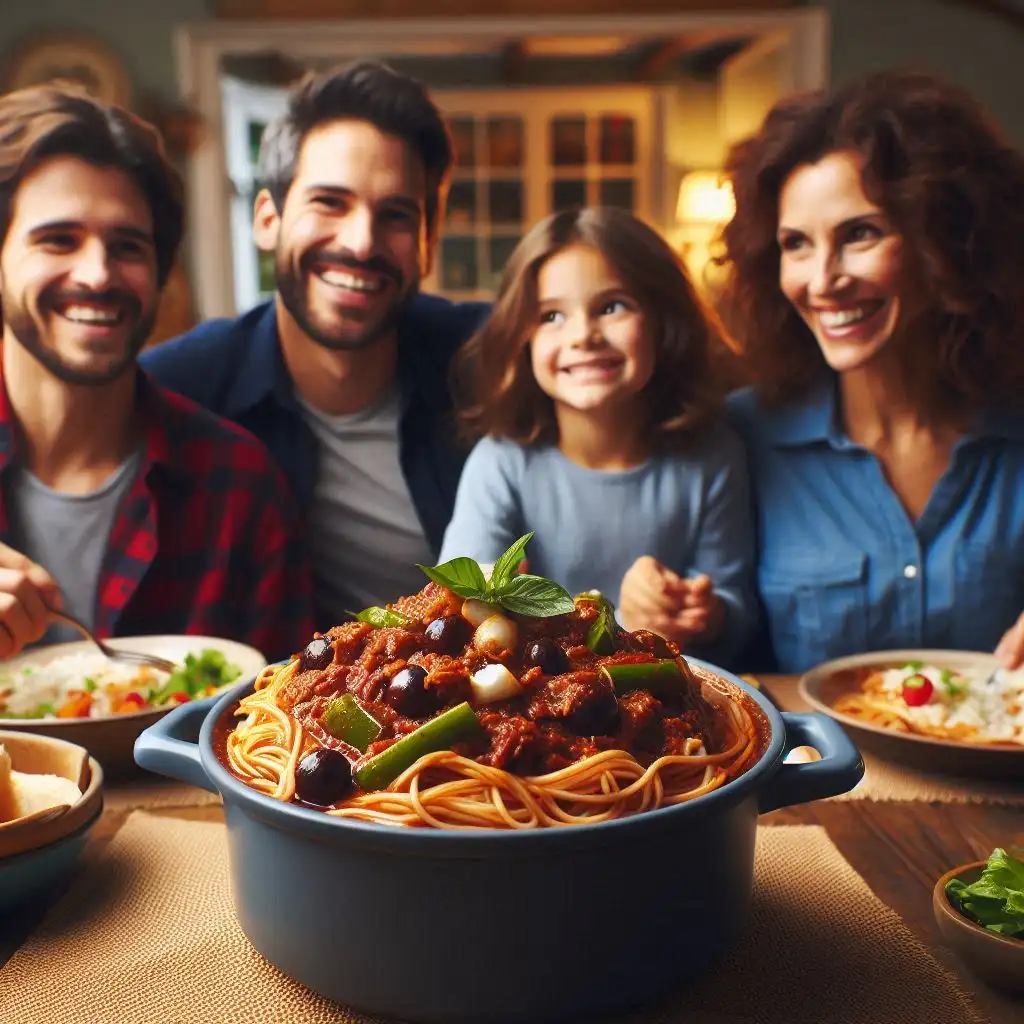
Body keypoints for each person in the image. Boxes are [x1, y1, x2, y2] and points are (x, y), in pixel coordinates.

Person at [140, 61, 488, 624]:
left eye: (396, 214)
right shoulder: (177, 386)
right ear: (267, 218)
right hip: (260, 702)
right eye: (330, 202)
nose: (360, 242)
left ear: (428, 240)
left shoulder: (490, 359)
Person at [719, 69, 1024, 674]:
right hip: (818, 768)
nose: (824, 280)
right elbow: (719, 661)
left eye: (860, 234)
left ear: (948, 240)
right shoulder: (742, 436)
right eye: (796, 244)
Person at [0, 86, 314, 662]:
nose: (97, 274)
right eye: (58, 240)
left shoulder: (240, 487)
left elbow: (284, 728)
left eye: (127, 246)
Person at [439, 206, 757, 667]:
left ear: (664, 323)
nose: (583, 335)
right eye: (551, 316)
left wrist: (704, 613)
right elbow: (458, 607)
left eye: (612, 307)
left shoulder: (713, 456)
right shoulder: (500, 462)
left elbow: (737, 610)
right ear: (520, 338)